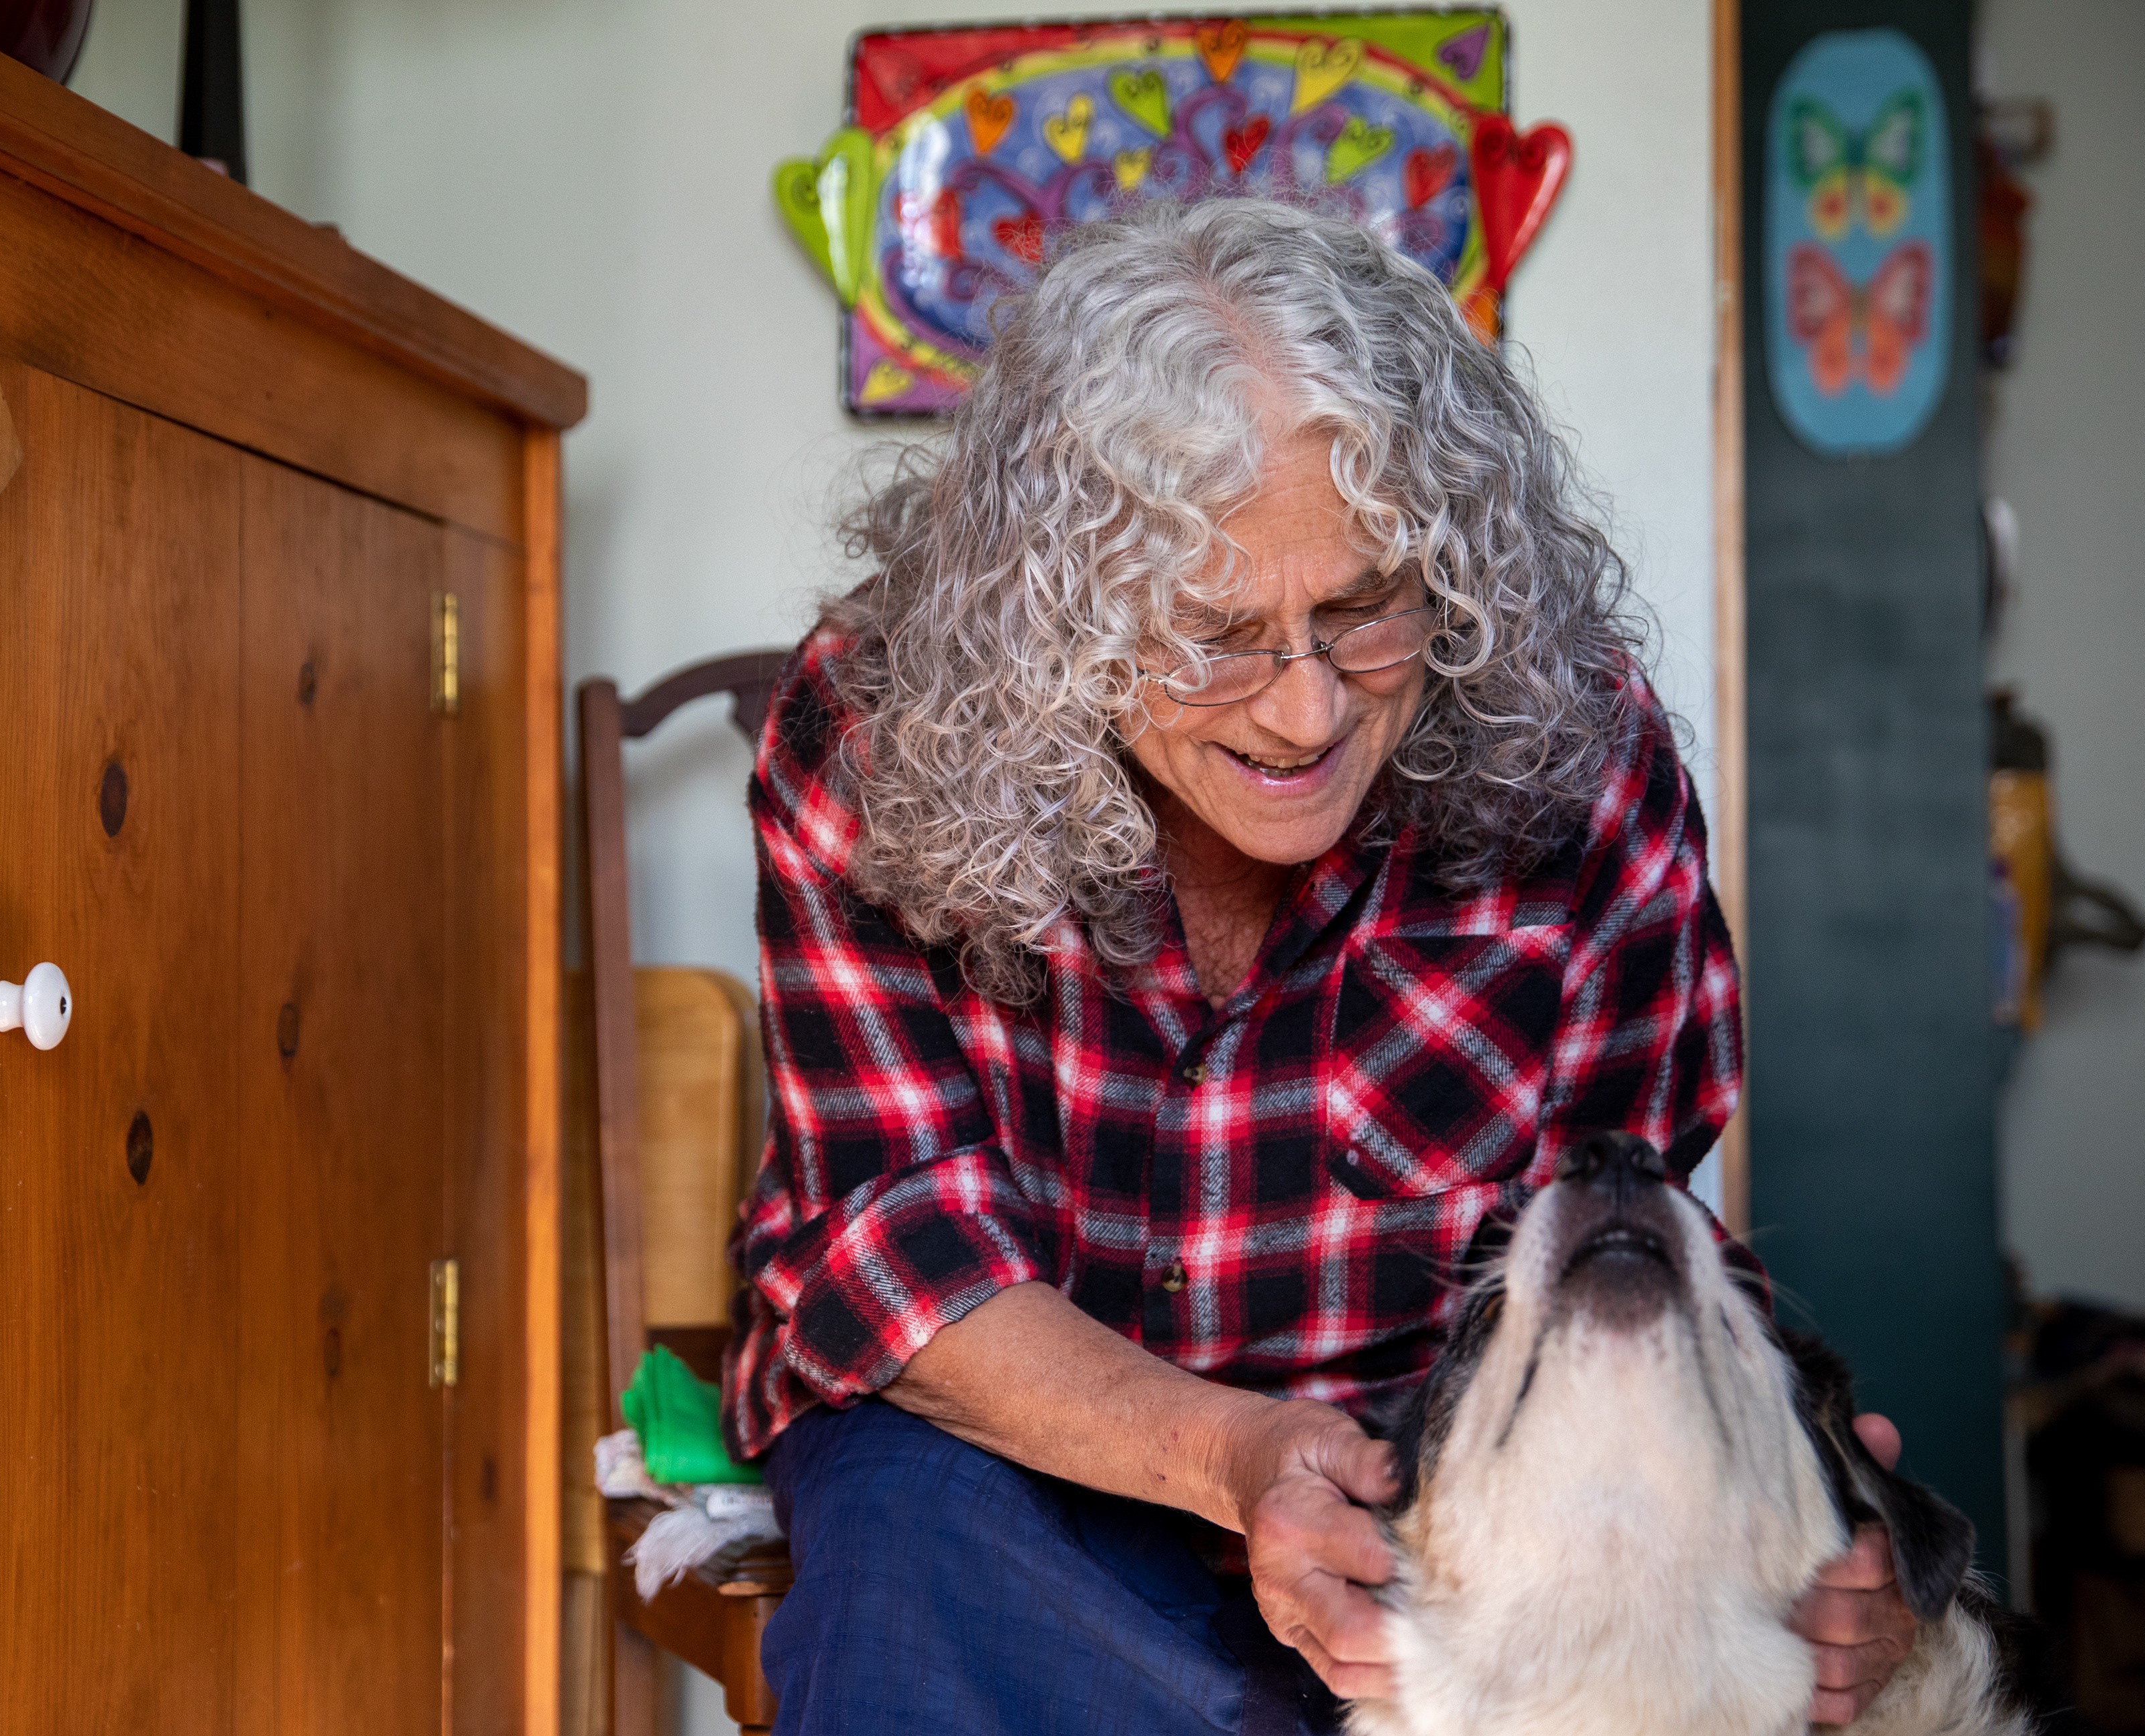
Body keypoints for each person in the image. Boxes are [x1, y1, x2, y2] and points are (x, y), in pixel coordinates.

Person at [722, 198, 1915, 1735]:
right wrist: (1228, 1455)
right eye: (1214, 633)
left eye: (1363, 611)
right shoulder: (877, 731)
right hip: (982, 1447)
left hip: (1403, 1485)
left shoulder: (1587, 765)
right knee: (907, 1576)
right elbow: (896, 1239)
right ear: (1055, 622)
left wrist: (1806, 1506)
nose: (1304, 715)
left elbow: (1625, 1220)